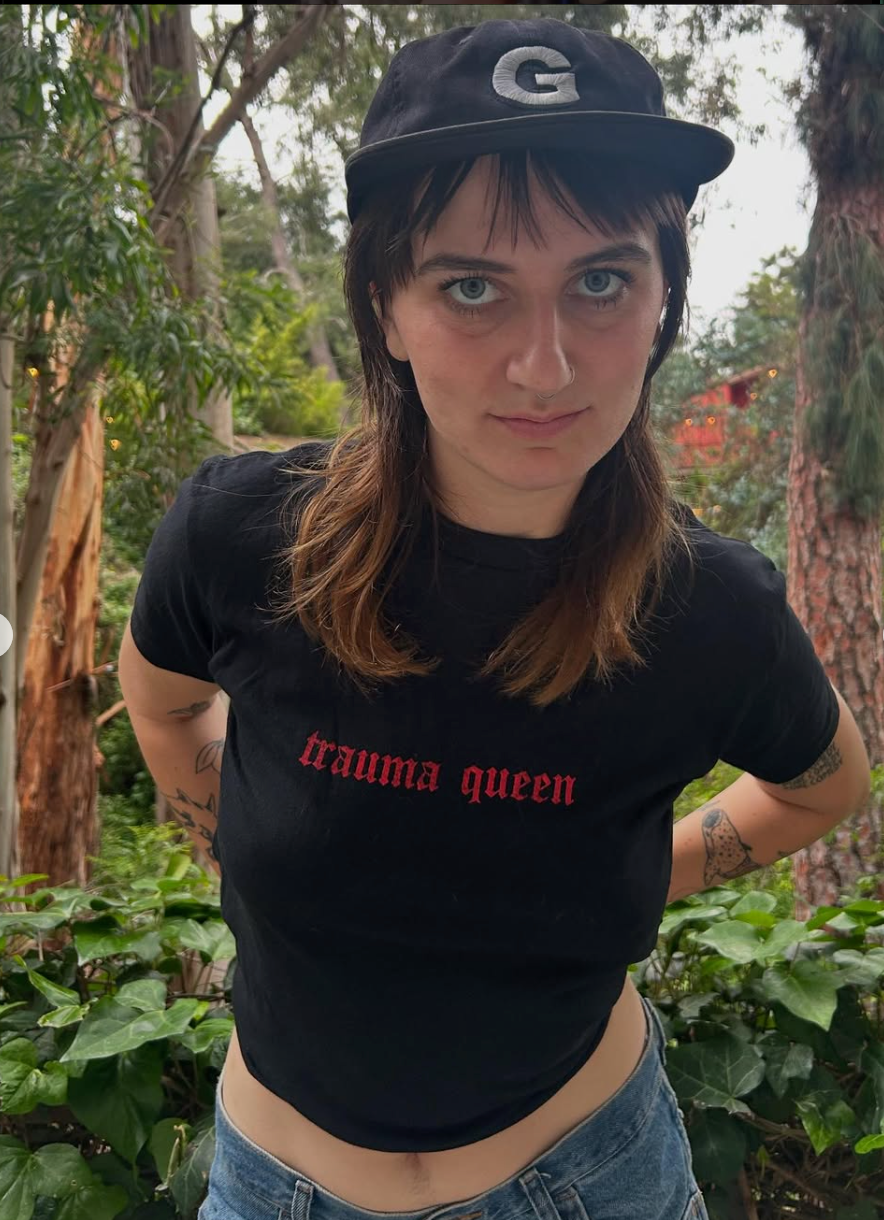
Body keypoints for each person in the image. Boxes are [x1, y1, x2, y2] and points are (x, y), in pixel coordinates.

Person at [121, 17, 854, 1220]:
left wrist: (640, 872)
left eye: (600, 280)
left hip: (592, 1178)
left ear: (663, 299)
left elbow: (822, 787)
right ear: (384, 307)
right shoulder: (239, 538)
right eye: (471, 286)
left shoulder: (708, 608)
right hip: (271, 1185)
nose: (544, 365)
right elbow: (160, 702)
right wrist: (232, 830)